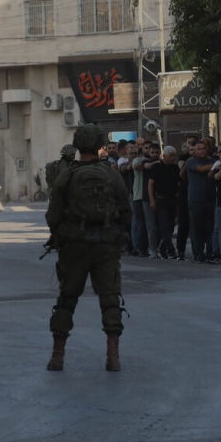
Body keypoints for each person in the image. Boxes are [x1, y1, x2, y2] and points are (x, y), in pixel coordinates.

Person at [45, 124, 131, 372]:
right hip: (105, 245)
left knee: (67, 298)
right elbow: (126, 211)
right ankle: (112, 356)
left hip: (74, 246)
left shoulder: (67, 175)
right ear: (100, 146)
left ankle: (57, 356)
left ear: (77, 145)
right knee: (110, 298)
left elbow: (53, 215)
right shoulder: (111, 174)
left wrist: (57, 235)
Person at [148, 146, 180, 260]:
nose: (172, 158)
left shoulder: (175, 168)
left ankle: (163, 247)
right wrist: (152, 201)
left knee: (171, 226)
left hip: (172, 199)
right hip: (161, 199)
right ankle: (170, 250)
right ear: (164, 156)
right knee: (164, 225)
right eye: (170, 155)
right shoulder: (156, 167)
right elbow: (151, 184)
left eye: (174, 155)